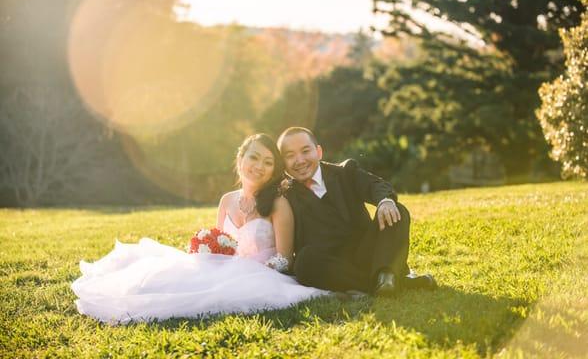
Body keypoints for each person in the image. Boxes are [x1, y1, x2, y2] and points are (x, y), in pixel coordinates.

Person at [71, 134, 327, 324]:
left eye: (268, 162)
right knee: (162, 283)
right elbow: (223, 244)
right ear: (241, 158)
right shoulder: (227, 200)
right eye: (254, 157)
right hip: (224, 268)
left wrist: (252, 270)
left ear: (274, 170)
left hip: (262, 274)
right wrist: (208, 251)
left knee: (209, 296)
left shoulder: (278, 203)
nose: (259, 166)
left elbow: (284, 258)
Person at [277, 127, 436, 296]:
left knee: (397, 211)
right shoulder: (284, 195)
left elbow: (375, 185)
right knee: (304, 262)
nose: (299, 160)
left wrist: (385, 201)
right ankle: (389, 281)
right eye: (290, 155)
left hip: (369, 252)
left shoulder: (345, 172)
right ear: (283, 163)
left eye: (305, 151)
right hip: (332, 266)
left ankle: (385, 275)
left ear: (319, 152)